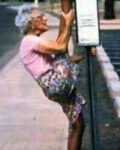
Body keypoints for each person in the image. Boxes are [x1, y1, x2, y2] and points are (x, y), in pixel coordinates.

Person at [15, 4, 87, 150]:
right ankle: (67, 13)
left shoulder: (33, 43)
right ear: (31, 23)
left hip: (54, 86)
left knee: (78, 124)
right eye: (40, 17)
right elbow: (60, 46)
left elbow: (58, 59)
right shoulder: (29, 40)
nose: (44, 18)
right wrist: (68, 21)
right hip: (54, 83)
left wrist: (78, 57)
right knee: (62, 51)